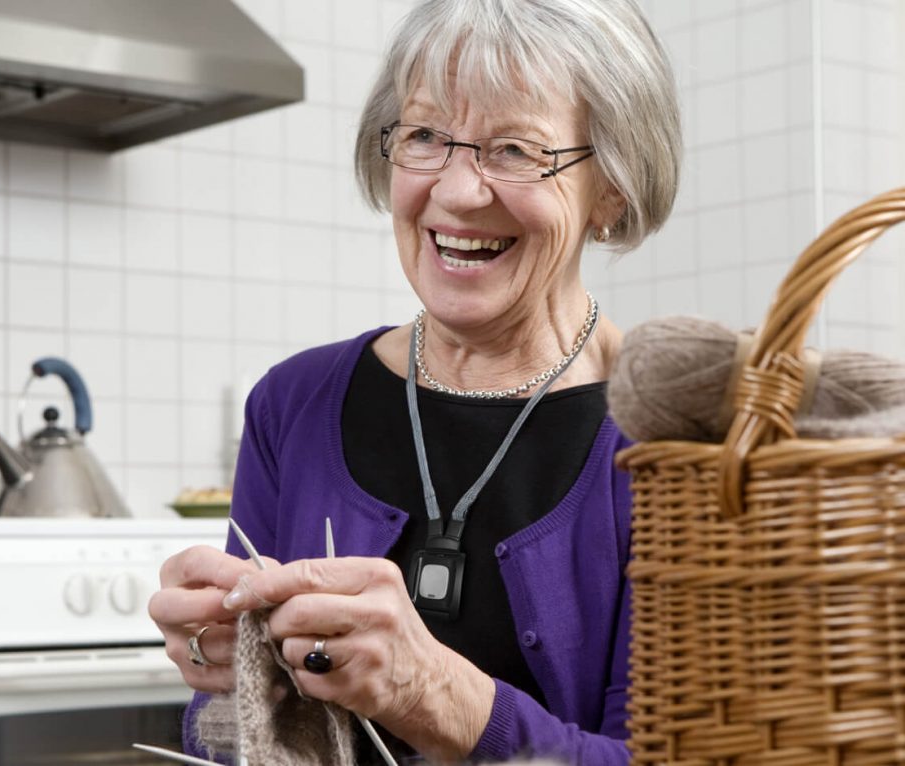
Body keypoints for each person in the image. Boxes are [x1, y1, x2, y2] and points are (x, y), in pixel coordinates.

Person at [148, 0, 680, 762]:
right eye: (426, 135)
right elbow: (231, 742)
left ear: (614, 188)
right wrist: (229, 676)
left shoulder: (677, 441)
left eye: (516, 150)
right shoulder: (291, 404)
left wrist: (432, 695)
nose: (459, 192)